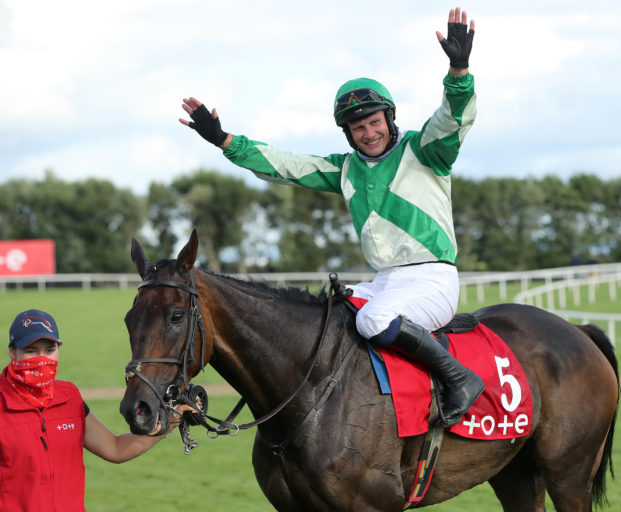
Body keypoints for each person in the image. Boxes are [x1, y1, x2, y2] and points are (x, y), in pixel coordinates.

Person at [179, 7, 483, 427]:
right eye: (358, 128)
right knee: (331, 316)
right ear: (347, 133)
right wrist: (225, 141)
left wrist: (459, 69)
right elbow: (284, 164)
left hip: (433, 280)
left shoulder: (426, 150)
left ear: (389, 118)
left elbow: (453, 116)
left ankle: (459, 377)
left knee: (374, 320)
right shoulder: (344, 169)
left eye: (374, 122)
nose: (369, 133)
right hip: (385, 282)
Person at [0, 308, 183, 511]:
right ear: (12, 352)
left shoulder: (69, 397)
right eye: (31, 351)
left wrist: (173, 419)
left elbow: (115, 448)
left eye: (49, 350)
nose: (42, 358)